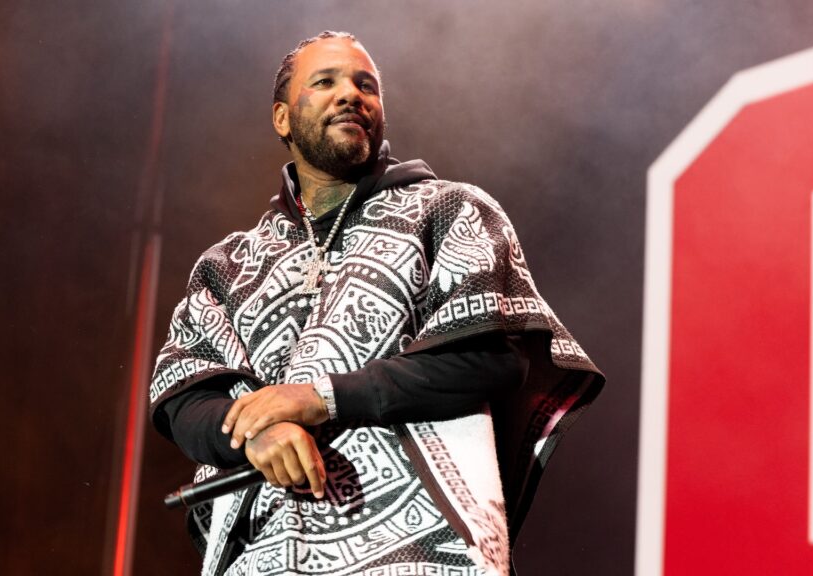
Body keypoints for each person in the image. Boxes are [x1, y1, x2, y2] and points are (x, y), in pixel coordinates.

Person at [149, 31, 603, 576]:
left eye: (366, 86)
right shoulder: (227, 264)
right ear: (282, 119)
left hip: (420, 554)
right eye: (325, 82)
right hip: (265, 555)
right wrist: (254, 433)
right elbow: (183, 399)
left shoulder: (450, 211)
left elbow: (492, 360)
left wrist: (320, 398)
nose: (351, 94)